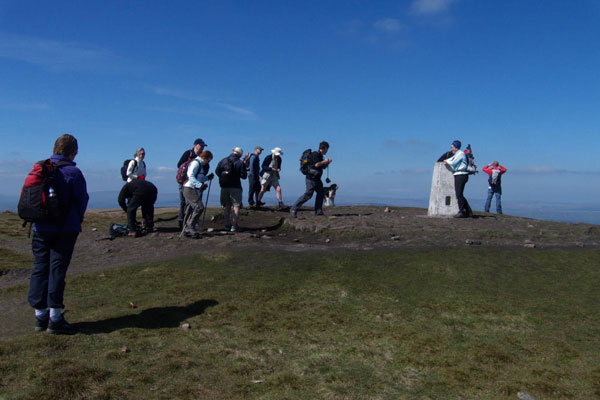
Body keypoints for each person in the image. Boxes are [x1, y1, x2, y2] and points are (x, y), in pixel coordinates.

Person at [28, 134, 89, 335]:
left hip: (40, 227)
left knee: (39, 268)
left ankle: (39, 316)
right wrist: (76, 219)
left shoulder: (40, 168)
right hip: (65, 229)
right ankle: (55, 319)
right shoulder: (73, 172)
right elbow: (81, 200)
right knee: (57, 270)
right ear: (74, 151)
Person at [290, 141, 332, 218]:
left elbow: (320, 167)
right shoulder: (315, 154)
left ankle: (318, 211)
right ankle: (293, 209)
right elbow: (316, 164)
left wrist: (327, 163)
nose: (327, 151)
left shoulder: (319, 155)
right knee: (308, 194)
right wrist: (324, 161)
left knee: (321, 193)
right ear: (324, 148)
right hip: (311, 178)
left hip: (317, 179)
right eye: (327, 149)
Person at [182, 150, 214, 238]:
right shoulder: (196, 163)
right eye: (208, 160)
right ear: (204, 157)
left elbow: (199, 177)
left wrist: (207, 178)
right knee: (199, 207)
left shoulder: (199, 164)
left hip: (190, 188)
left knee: (189, 209)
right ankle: (190, 227)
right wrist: (199, 185)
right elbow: (190, 175)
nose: (208, 162)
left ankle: (186, 229)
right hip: (189, 188)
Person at [176, 138, 207, 228]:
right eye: (201, 146)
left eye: (203, 146)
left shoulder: (202, 156)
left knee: (193, 202)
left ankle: (192, 222)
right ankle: (182, 221)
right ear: (195, 145)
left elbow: (205, 168)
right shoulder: (188, 153)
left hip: (196, 182)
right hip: (186, 181)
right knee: (184, 202)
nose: (202, 148)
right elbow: (179, 165)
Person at [215, 147, 247, 232]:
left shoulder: (223, 160)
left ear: (233, 151)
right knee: (236, 206)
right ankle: (234, 226)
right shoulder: (240, 162)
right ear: (240, 154)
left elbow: (217, 171)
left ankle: (227, 225)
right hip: (235, 186)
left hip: (224, 186)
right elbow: (244, 176)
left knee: (227, 206)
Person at [443, 140, 473, 218]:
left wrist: (446, 161)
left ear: (456, 147)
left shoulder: (460, 154)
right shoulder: (457, 154)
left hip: (461, 175)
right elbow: (452, 160)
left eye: (452, 147)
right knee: (460, 194)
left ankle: (462, 211)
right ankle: (468, 212)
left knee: (459, 194)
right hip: (459, 175)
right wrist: (447, 161)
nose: (451, 149)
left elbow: (453, 162)